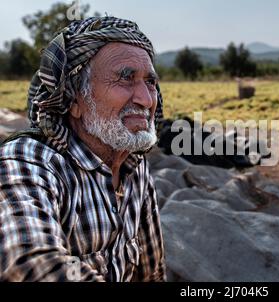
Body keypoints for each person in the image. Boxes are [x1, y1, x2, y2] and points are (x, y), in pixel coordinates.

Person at [0, 17, 166, 282]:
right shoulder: (28, 161)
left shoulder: (135, 165)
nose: (146, 99)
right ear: (74, 99)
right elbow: (30, 264)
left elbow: (151, 270)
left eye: (149, 82)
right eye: (125, 78)